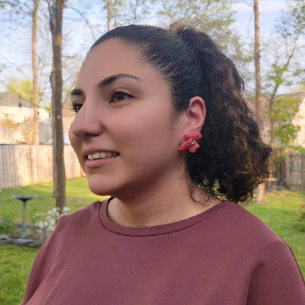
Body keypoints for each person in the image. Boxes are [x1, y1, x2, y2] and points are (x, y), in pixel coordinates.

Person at [21, 22, 305, 305]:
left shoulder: (258, 255)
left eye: (119, 96)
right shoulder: (65, 236)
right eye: (78, 106)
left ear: (191, 117)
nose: (81, 126)